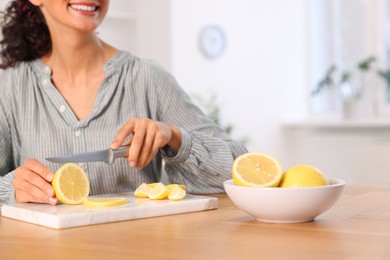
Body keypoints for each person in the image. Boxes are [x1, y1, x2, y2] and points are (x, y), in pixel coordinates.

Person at [0, 0, 247, 208]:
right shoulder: (10, 87)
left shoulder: (147, 78)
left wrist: (174, 137)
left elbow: (240, 170)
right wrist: (14, 187)